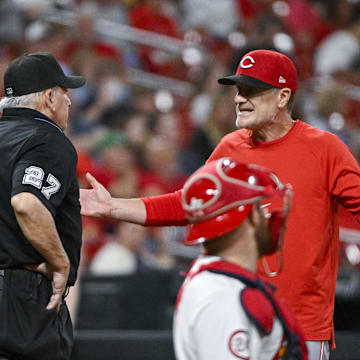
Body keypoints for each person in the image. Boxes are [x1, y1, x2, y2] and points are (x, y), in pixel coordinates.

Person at [80, 49, 360, 359]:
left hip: (301, 324)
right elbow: (187, 204)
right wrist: (112, 207)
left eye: (252, 90)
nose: (240, 98)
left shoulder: (325, 149)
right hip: (237, 314)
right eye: (239, 90)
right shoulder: (231, 145)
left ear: (282, 97)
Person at [173, 157, 308, 359]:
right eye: (261, 209)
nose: (267, 217)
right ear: (251, 215)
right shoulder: (220, 295)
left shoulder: (219, 282)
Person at [0, 52, 86, 360]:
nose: (69, 102)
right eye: (65, 94)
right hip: (20, 303)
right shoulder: (46, 138)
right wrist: (60, 262)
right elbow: (26, 202)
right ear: (49, 97)